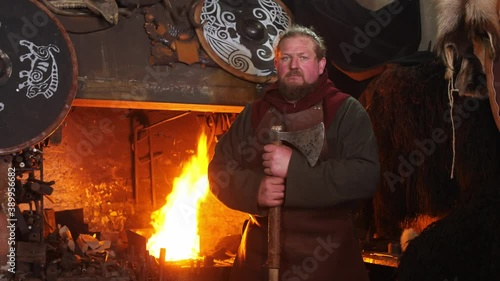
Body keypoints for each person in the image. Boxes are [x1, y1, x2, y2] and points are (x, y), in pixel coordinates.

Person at [208, 24, 380, 281]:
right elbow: (219, 171)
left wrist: (294, 170)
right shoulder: (254, 114)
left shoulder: (345, 111)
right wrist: (256, 189)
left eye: (303, 57)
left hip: (328, 259)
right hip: (259, 259)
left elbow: (365, 175)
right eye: (286, 58)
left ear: (321, 65)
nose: (294, 65)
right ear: (276, 65)